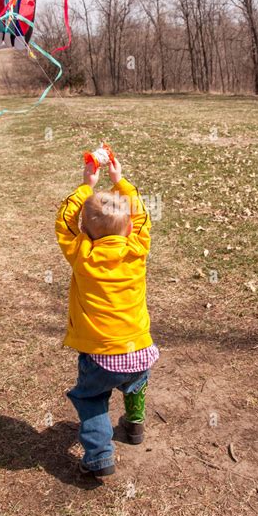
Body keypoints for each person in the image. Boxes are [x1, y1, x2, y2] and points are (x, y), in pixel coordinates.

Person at [55, 154, 159, 476]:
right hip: (140, 350)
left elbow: (64, 223)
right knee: (136, 382)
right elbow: (142, 218)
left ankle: (100, 456)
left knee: (92, 398)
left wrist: (87, 186)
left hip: (100, 356)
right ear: (129, 228)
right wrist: (119, 181)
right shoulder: (136, 250)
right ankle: (135, 424)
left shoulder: (81, 254)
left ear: (85, 230)